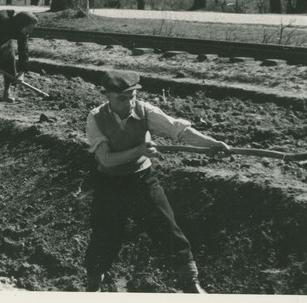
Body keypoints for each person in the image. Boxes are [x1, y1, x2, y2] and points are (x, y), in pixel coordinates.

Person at [84, 70, 231, 294]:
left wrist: (212, 144)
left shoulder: (145, 111)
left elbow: (178, 130)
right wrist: (139, 150)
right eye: (122, 98)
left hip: (142, 179)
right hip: (110, 183)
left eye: (132, 95)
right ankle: (94, 283)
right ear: (107, 96)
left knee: (167, 228)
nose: (129, 102)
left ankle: (191, 284)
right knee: (105, 235)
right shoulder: (96, 118)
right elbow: (106, 159)